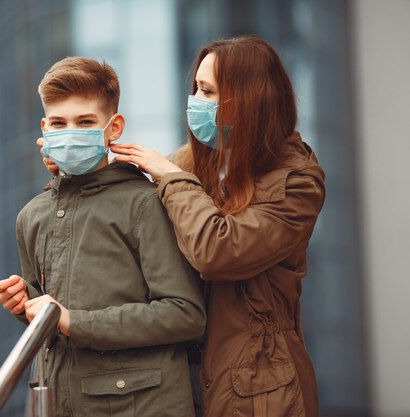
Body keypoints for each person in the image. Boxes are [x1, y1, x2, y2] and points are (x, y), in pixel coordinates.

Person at [39, 36, 326, 417]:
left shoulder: (297, 183)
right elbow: (129, 207)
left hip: (259, 387)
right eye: (196, 89)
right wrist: (72, 171)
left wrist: (170, 177)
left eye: (208, 92)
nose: (196, 101)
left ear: (248, 100)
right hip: (183, 379)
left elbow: (217, 252)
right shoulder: (191, 162)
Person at [0, 57, 206, 417]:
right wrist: (25, 301)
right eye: (59, 123)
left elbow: (185, 314)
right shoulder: (31, 216)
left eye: (85, 121)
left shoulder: (145, 204)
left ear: (114, 127)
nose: (70, 132)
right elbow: (53, 314)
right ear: (44, 128)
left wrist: (72, 321)